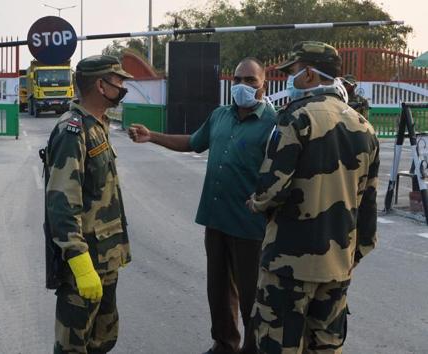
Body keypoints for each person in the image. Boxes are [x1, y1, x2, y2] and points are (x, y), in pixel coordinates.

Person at [129, 57, 277, 354]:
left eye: (250, 80)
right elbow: (193, 142)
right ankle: (224, 344)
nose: (243, 85)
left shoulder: (273, 124)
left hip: (250, 226)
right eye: (238, 79)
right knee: (218, 291)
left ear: (263, 85)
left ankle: (254, 348)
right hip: (216, 219)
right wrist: (152, 136)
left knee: (252, 295)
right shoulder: (220, 116)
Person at [247, 41, 380, 353]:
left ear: (308, 74)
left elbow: (272, 188)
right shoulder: (363, 126)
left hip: (288, 263)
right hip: (338, 263)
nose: (288, 79)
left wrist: (255, 203)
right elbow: (368, 203)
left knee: (276, 343)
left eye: (292, 72)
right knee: (326, 345)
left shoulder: (296, 118)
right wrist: (355, 254)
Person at [44, 55, 133, 354]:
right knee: (73, 346)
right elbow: (61, 203)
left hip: (105, 257)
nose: (122, 87)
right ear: (100, 84)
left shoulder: (97, 125)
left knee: (102, 339)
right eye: (118, 81)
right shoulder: (73, 130)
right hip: (86, 261)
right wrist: (81, 266)